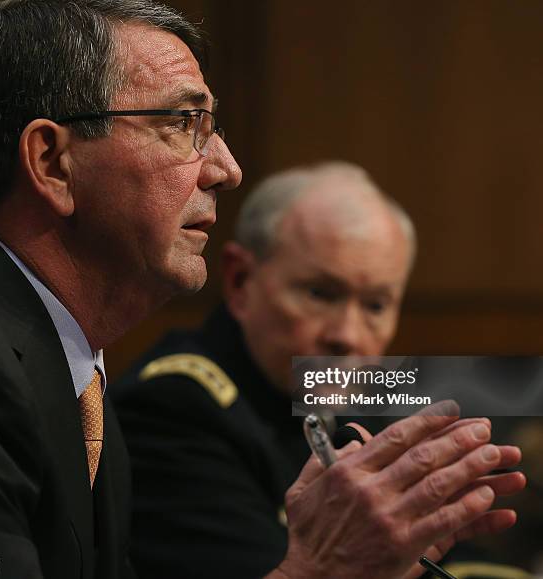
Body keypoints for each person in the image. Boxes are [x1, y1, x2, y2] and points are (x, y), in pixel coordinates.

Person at [0, 1, 240, 577]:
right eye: (182, 123)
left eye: (212, 126)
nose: (225, 168)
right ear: (52, 162)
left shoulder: (78, 378)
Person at [112, 163, 526, 579]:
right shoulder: (173, 411)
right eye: (319, 293)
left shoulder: (338, 408)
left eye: (375, 305)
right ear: (240, 281)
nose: (346, 336)